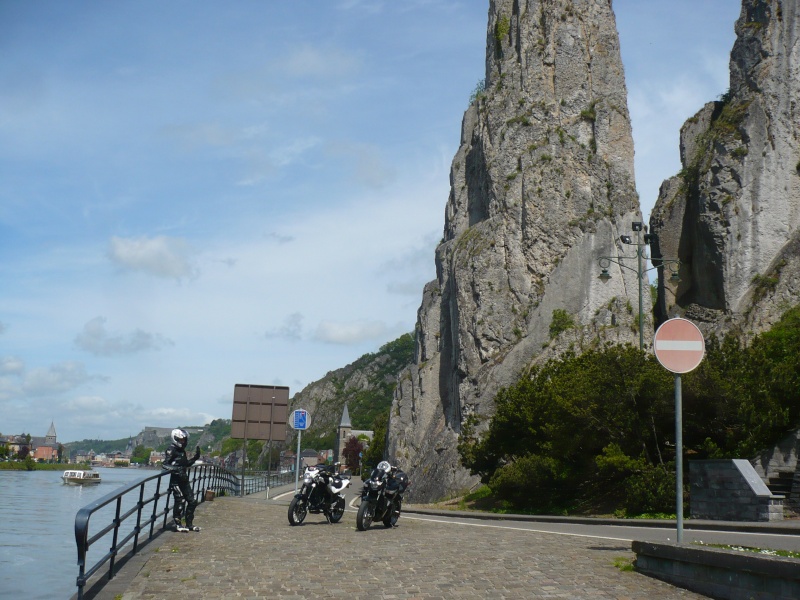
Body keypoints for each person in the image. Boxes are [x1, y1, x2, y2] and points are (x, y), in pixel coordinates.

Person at [162, 428, 201, 532]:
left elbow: (185, 464)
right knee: (180, 500)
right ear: (175, 439)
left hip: (184, 479)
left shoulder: (181, 451)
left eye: (184, 440)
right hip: (175, 481)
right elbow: (165, 464)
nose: (182, 442)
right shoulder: (171, 449)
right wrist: (176, 469)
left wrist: (195, 458)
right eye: (181, 440)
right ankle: (177, 524)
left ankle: (189, 524)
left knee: (192, 501)